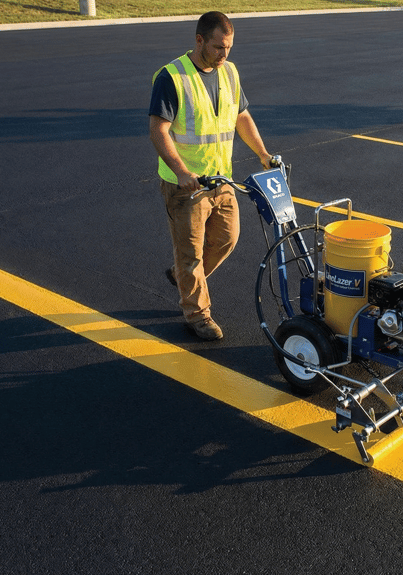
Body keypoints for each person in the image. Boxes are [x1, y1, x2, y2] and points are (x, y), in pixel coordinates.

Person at [149, 11, 273, 341]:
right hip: (185, 186)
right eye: (218, 47)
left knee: (226, 239)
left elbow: (241, 117)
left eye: (228, 48)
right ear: (199, 40)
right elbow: (158, 130)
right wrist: (181, 171)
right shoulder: (172, 77)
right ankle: (198, 314)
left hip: (221, 180)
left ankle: (182, 277)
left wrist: (262, 153)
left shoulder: (229, 73)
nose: (223, 54)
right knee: (190, 255)